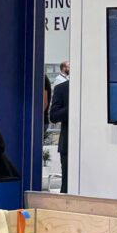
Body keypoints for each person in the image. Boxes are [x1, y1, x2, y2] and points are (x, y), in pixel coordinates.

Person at [47, 61, 71, 191]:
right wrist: (72, 106)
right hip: (67, 146)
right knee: (67, 186)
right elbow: (53, 116)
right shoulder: (62, 88)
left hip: (92, 146)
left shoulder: (95, 90)